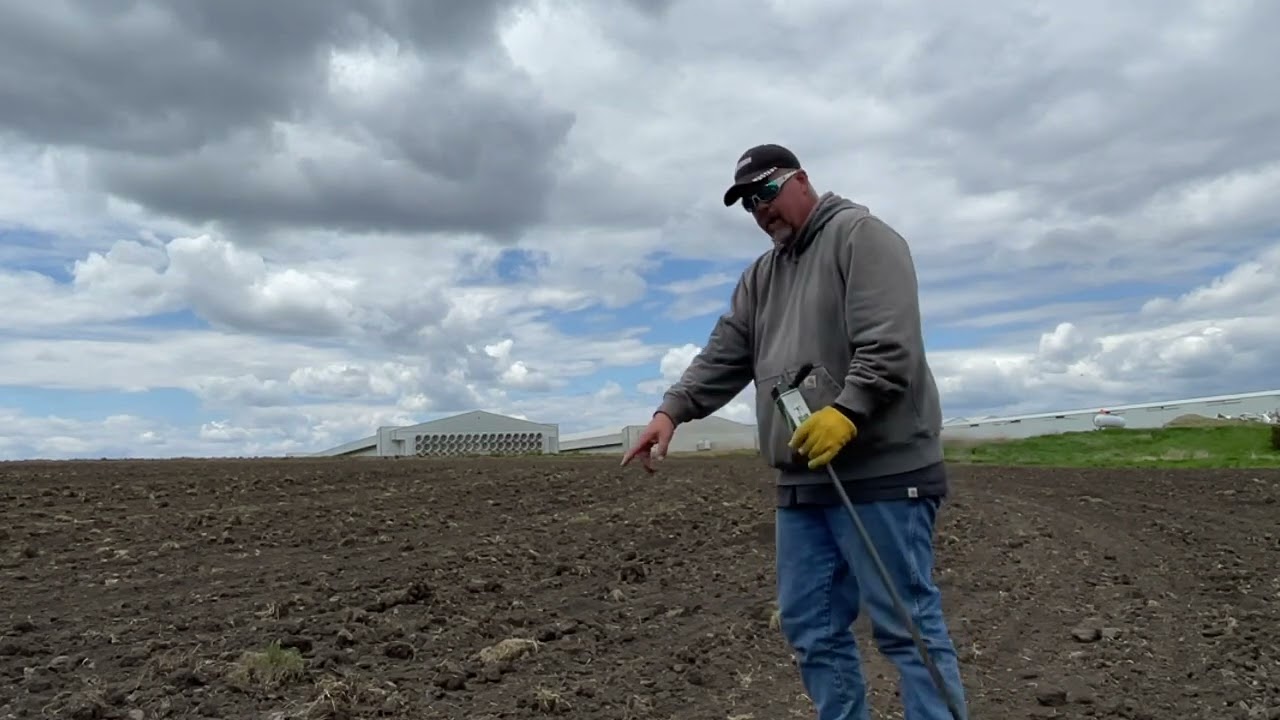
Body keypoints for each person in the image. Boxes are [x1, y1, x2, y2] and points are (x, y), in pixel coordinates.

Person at [621, 143, 969, 720]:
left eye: (767, 192)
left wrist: (848, 409)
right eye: (747, 204)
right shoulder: (761, 276)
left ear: (801, 180)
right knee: (812, 627)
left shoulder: (863, 237)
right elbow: (725, 353)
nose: (760, 210)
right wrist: (671, 411)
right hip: (803, 480)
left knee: (906, 626)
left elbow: (891, 342)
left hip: (883, 473)